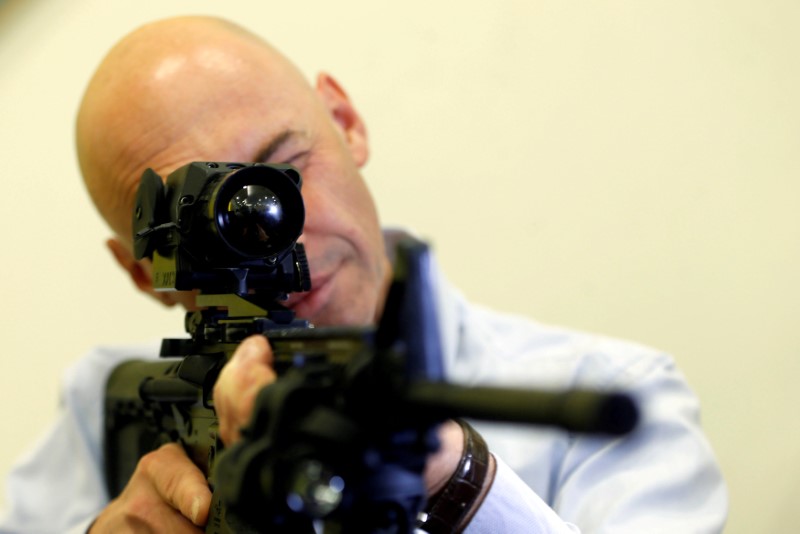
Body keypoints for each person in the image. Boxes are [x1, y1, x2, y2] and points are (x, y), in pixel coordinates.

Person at [0, 16, 727, 533]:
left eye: (282, 171)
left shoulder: (608, 395)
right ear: (141, 271)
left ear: (345, 119)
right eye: (200, 231)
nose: (272, 240)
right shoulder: (104, 407)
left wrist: (459, 483)